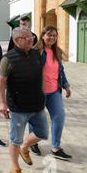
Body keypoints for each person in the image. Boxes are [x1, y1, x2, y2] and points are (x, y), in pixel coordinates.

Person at [0, 27, 48, 173]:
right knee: (15, 139)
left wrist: (44, 93)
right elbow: (0, 82)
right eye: (27, 38)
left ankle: (25, 147)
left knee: (42, 133)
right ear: (17, 40)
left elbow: (42, 75)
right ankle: (15, 168)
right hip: (18, 108)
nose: (31, 39)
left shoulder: (36, 54)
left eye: (31, 37)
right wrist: (2, 103)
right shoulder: (8, 59)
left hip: (38, 105)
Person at [29, 26, 72, 160]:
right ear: (42, 36)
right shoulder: (36, 52)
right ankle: (33, 143)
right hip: (39, 92)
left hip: (54, 91)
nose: (52, 38)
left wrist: (66, 85)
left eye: (54, 35)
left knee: (59, 116)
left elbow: (61, 71)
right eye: (49, 35)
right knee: (36, 119)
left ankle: (55, 147)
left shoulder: (56, 51)